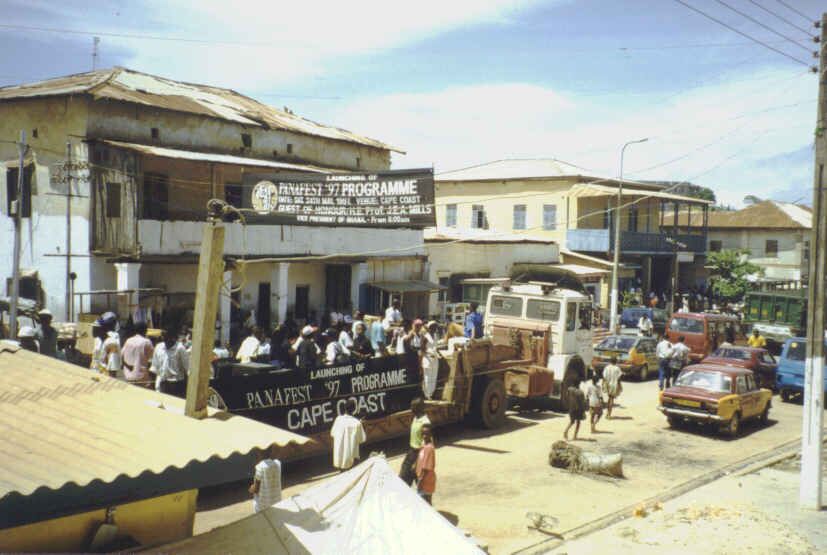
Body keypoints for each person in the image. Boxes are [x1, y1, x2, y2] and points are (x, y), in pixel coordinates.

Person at [400, 397, 430, 486]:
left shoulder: (425, 423)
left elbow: (426, 445)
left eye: (413, 407)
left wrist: (417, 462)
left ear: (419, 408)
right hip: (411, 452)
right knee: (403, 481)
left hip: (419, 455)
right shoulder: (416, 418)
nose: (411, 409)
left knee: (421, 485)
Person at [151, 329, 189, 396]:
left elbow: (188, 368)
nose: (167, 342)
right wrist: (156, 385)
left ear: (174, 339)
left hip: (177, 385)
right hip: (163, 383)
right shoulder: (158, 347)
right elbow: (155, 367)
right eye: (165, 339)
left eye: (169, 339)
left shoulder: (180, 348)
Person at [121, 322, 155, 387]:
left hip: (128, 376)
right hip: (141, 377)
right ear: (145, 330)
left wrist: (129, 367)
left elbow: (122, 356)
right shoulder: (146, 342)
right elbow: (153, 358)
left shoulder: (128, 340)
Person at [94, 312, 122, 377]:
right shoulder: (97, 340)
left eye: (95, 328)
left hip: (105, 376)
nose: (93, 331)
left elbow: (113, 367)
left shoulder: (112, 342)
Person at [415, 424, 437, 505]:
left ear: (430, 434)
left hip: (426, 480)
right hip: (422, 479)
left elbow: (426, 468)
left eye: (426, 434)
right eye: (422, 434)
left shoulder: (429, 448)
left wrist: (420, 482)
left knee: (424, 504)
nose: (424, 436)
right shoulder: (424, 445)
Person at [421, 321, 439, 400]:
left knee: (433, 376)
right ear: (430, 328)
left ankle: (431, 393)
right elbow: (422, 349)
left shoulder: (435, 335)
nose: (435, 329)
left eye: (436, 327)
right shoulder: (425, 336)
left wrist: (436, 354)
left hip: (435, 358)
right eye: (433, 327)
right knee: (427, 377)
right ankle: (427, 394)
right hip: (427, 359)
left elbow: (435, 346)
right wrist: (429, 353)